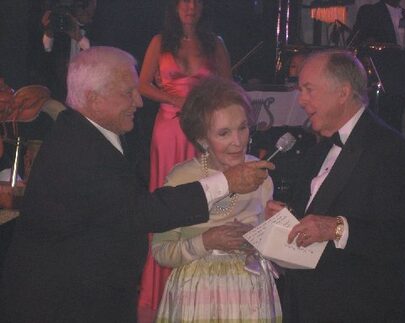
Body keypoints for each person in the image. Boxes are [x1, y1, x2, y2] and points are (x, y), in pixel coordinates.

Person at [0, 46, 273, 323]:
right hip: (63, 303)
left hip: (92, 295)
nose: (139, 102)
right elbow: (142, 212)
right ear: (94, 98)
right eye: (128, 93)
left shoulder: (100, 133)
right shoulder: (78, 149)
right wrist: (226, 182)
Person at [267, 50, 405, 322]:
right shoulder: (318, 146)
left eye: (308, 89)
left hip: (363, 308)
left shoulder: (388, 148)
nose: (300, 100)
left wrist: (336, 228)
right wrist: (284, 217)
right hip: (312, 306)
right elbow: (316, 212)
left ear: (343, 92)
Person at [152, 77, 282, 322]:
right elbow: (161, 251)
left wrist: (272, 229)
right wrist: (206, 241)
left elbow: (272, 247)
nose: (238, 141)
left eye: (242, 128)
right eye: (224, 133)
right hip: (198, 294)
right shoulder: (182, 178)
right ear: (202, 139)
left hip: (251, 293)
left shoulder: (260, 172)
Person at [138, 0, 231, 317]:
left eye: (196, 1)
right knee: (168, 201)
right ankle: (158, 286)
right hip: (168, 128)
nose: (190, 6)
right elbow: (141, 84)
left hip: (202, 130)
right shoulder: (159, 41)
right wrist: (174, 97)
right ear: (174, 6)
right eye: (184, 1)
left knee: (203, 197)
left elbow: (227, 86)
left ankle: (197, 277)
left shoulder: (214, 42)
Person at [41, 0, 97, 101]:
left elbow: (102, 56)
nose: (82, 10)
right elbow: (46, 50)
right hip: (62, 89)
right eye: (78, 5)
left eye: (85, 4)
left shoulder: (104, 27)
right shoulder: (65, 22)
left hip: (90, 90)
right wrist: (49, 30)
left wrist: (79, 38)